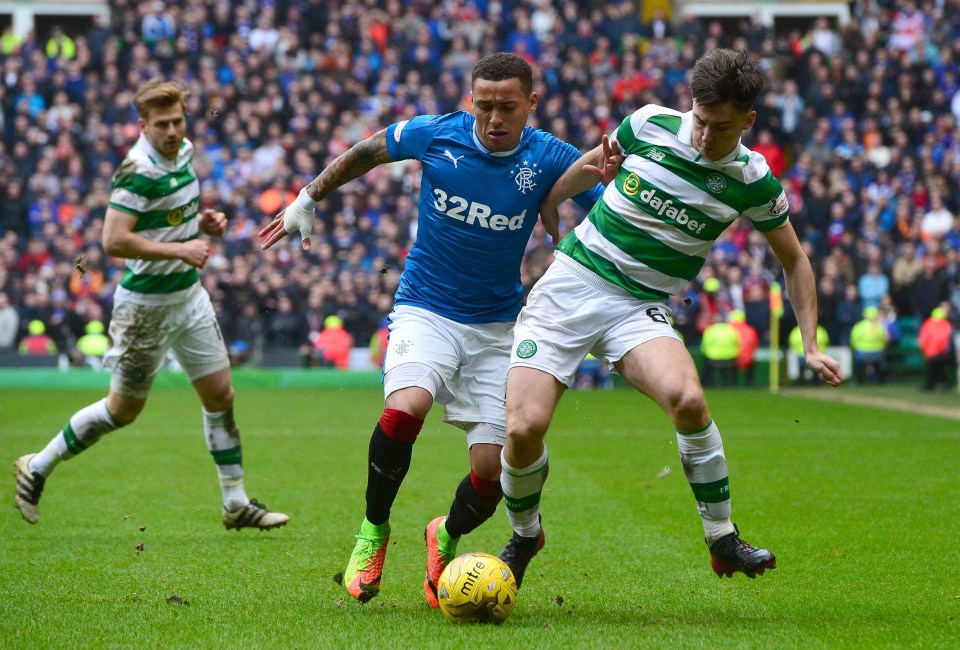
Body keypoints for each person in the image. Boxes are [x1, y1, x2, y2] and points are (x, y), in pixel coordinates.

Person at [259, 52, 614, 606]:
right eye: (484, 105)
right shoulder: (438, 134)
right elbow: (369, 150)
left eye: (508, 107)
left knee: (493, 471)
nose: (494, 118)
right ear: (471, 100)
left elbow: (609, 212)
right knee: (406, 408)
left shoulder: (552, 157)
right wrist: (309, 196)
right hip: (426, 307)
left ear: (532, 105)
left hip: (498, 327)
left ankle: (443, 534)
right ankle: (372, 533)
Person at [495, 49, 844, 589]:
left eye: (721, 127)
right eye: (701, 121)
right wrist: (553, 200)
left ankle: (723, 540)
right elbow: (593, 160)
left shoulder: (753, 180)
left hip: (639, 307)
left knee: (689, 400)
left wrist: (810, 341)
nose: (705, 136)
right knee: (523, 428)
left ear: (748, 121)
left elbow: (794, 260)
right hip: (571, 287)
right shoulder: (650, 124)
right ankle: (524, 535)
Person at [14, 79, 288, 532]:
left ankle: (236, 503)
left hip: (188, 298)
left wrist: (204, 222)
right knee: (123, 410)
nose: (173, 131)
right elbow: (113, 240)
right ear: (142, 126)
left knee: (220, 395)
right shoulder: (136, 169)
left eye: (178, 121)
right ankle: (37, 466)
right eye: (162, 124)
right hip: (145, 307)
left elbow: (170, 215)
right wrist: (182, 249)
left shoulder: (182, 151)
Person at [918, 306, 954, 390]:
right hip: (934, 353)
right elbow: (924, 340)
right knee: (935, 364)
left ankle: (933, 384)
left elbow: (924, 340)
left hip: (942, 353)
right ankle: (942, 383)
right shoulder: (945, 325)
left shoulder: (931, 324)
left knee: (934, 364)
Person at [849, 307, 888, 384]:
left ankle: (858, 380)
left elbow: (853, 338)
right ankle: (880, 380)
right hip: (877, 352)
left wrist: (856, 348)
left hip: (862, 351)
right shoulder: (879, 326)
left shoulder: (859, 326)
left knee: (859, 364)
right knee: (880, 364)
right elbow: (884, 339)